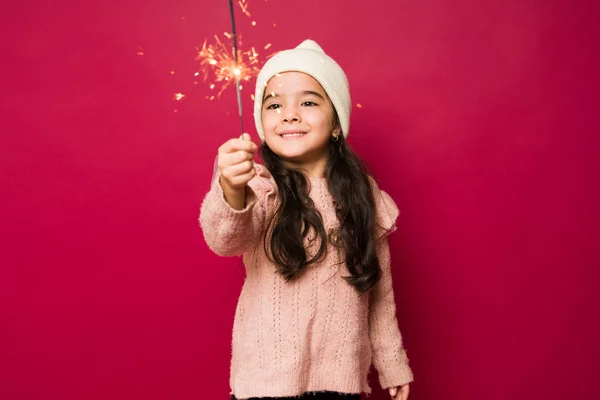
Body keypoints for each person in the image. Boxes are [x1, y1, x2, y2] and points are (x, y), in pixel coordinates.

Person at [199, 39, 414, 400]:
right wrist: (231, 190)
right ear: (262, 124)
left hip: (339, 382)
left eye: (309, 102)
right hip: (263, 384)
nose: (290, 114)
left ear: (336, 124)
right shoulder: (259, 187)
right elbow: (226, 241)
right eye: (275, 104)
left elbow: (378, 292)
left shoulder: (365, 197)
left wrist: (392, 362)